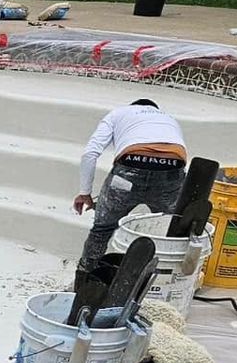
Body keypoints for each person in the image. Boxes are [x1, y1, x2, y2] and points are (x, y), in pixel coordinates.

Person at [75, 99, 187, 267]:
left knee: (102, 229)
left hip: (128, 171)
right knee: (171, 230)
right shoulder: (169, 118)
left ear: (132, 107)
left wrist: (85, 193)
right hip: (171, 169)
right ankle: (165, 277)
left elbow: (90, 154)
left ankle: (86, 276)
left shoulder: (118, 113)